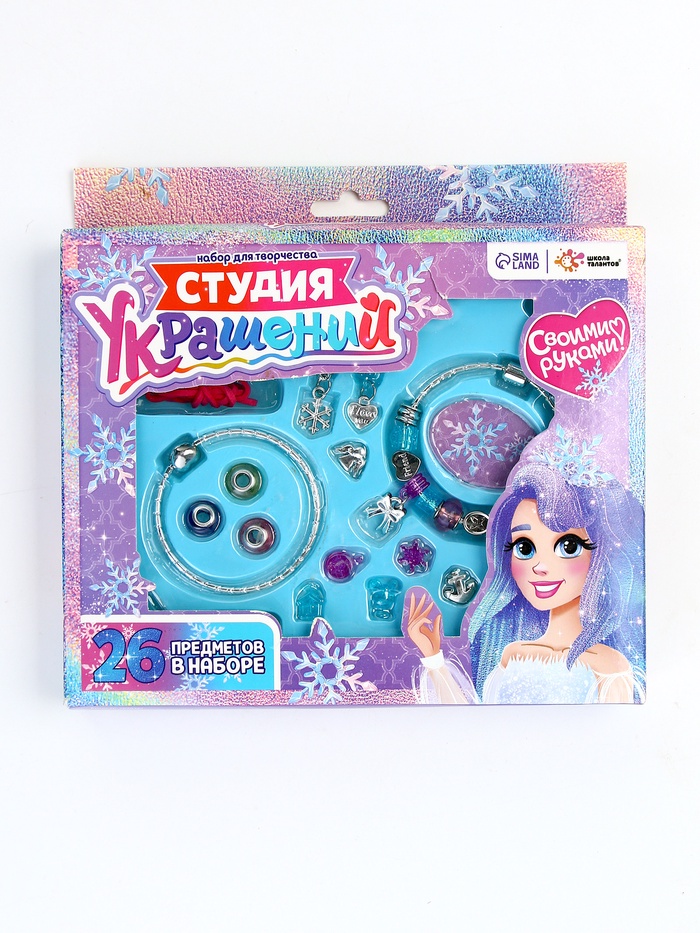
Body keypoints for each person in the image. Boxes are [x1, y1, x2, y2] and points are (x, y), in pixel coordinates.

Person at [408, 429, 645, 704]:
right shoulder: (513, 653)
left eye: (568, 547)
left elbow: (617, 731)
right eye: (524, 548)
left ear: (601, 554)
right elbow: (475, 722)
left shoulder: (608, 665)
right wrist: (434, 658)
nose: (540, 567)